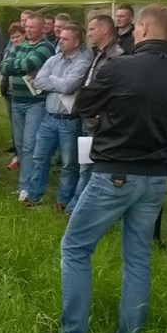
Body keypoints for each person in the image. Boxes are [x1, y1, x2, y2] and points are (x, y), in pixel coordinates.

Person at [59, 5, 167, 333]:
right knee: (138, 259)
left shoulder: (120, 67)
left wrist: (110, 109)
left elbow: (83, 104)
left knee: (75, 248)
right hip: (156, 176)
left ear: (142, 27)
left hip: (115, 171)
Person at [25, 23, 92, 210]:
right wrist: (59, 82)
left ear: (76, 42)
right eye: (60, 38)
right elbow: (38, 81)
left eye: (65, 39)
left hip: (69, 121)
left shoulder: (82, 62)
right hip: (49, 118)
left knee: (68, 164)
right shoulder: (53, 59)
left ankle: (63, 200)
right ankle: (34, 195)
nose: (60, 41)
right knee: (39, 158)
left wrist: (52, 79)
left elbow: (68, 87)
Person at [70, 14, 124, 211]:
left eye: (92, 29)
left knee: (90, 168)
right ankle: (80, 205)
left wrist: (98, 110)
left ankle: (80, 208)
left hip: (99, 119)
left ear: (105, 29)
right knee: (85, 165)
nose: (89, 34)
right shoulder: (100, 53)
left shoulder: (116, 56)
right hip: (89, 117)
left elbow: (111, 90)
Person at [1, 12, 55, 202]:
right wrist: (20, 65)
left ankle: (29, 187)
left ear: (42, 28)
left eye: (32, 27)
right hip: (17, 100)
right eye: (27, 27)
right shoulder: (21, 45)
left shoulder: (46, 47)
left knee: (30, 145)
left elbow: (31, 63)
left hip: (35, 103)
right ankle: (23, 185)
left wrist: (16, 65)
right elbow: (4, 67)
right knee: (20, 144)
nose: (28, 30)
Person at [0, 22, 26, 163]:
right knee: (14, 125)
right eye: (12, 37)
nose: (15, 40)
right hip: (8, 91)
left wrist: (11, 67)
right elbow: (3, 68)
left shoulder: (26, 50)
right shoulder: (9, 50)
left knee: (24, 127)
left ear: (24, 35)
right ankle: (17, 152)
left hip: (22, 93)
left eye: (18, 37)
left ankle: (23, 155)